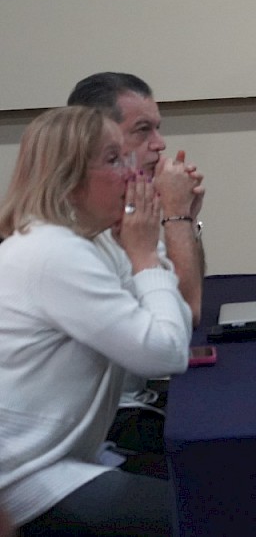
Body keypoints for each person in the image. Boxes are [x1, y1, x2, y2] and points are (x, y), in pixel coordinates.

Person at [0, 106, 194, 536]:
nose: (132, 173)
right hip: (25, 483)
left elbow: (175, 320)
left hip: (63, 460)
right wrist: (146, 255)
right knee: (205, 514)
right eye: (113, 160)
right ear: (68, 180)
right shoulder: (52, 252)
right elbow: (165, 353)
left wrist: (145, 252)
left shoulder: (93, 243)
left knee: (211, 490)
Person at [68, 72, 206, 479]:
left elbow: (181, 300)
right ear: (98, 141)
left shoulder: (126, 209)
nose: (159, 144)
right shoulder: (75, 233)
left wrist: (186, 219)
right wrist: (176, 216)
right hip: (106, 424)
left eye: (158, 129)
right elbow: (188, 314)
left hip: (132, 401)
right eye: (143, 130)